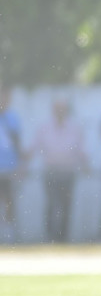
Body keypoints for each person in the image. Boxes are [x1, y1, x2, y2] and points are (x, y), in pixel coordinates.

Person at [29, 99, 90, 242]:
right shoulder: (44, 127)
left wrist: (86, 165)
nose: (60, 112)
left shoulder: (75, 128)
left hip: (68, 172)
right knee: (51, 204)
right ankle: (50, 236)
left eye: (62, 109)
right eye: (57, 109)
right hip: (51, 172)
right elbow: (34, 147)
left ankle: (63, 238)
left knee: (66, 205)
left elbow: (81, 149)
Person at [0, 81, 24, 242]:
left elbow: (17, 143)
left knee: (9, 199)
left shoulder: (12, 118)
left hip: (8, 167)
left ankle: (8, 233)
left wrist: (20, 164)